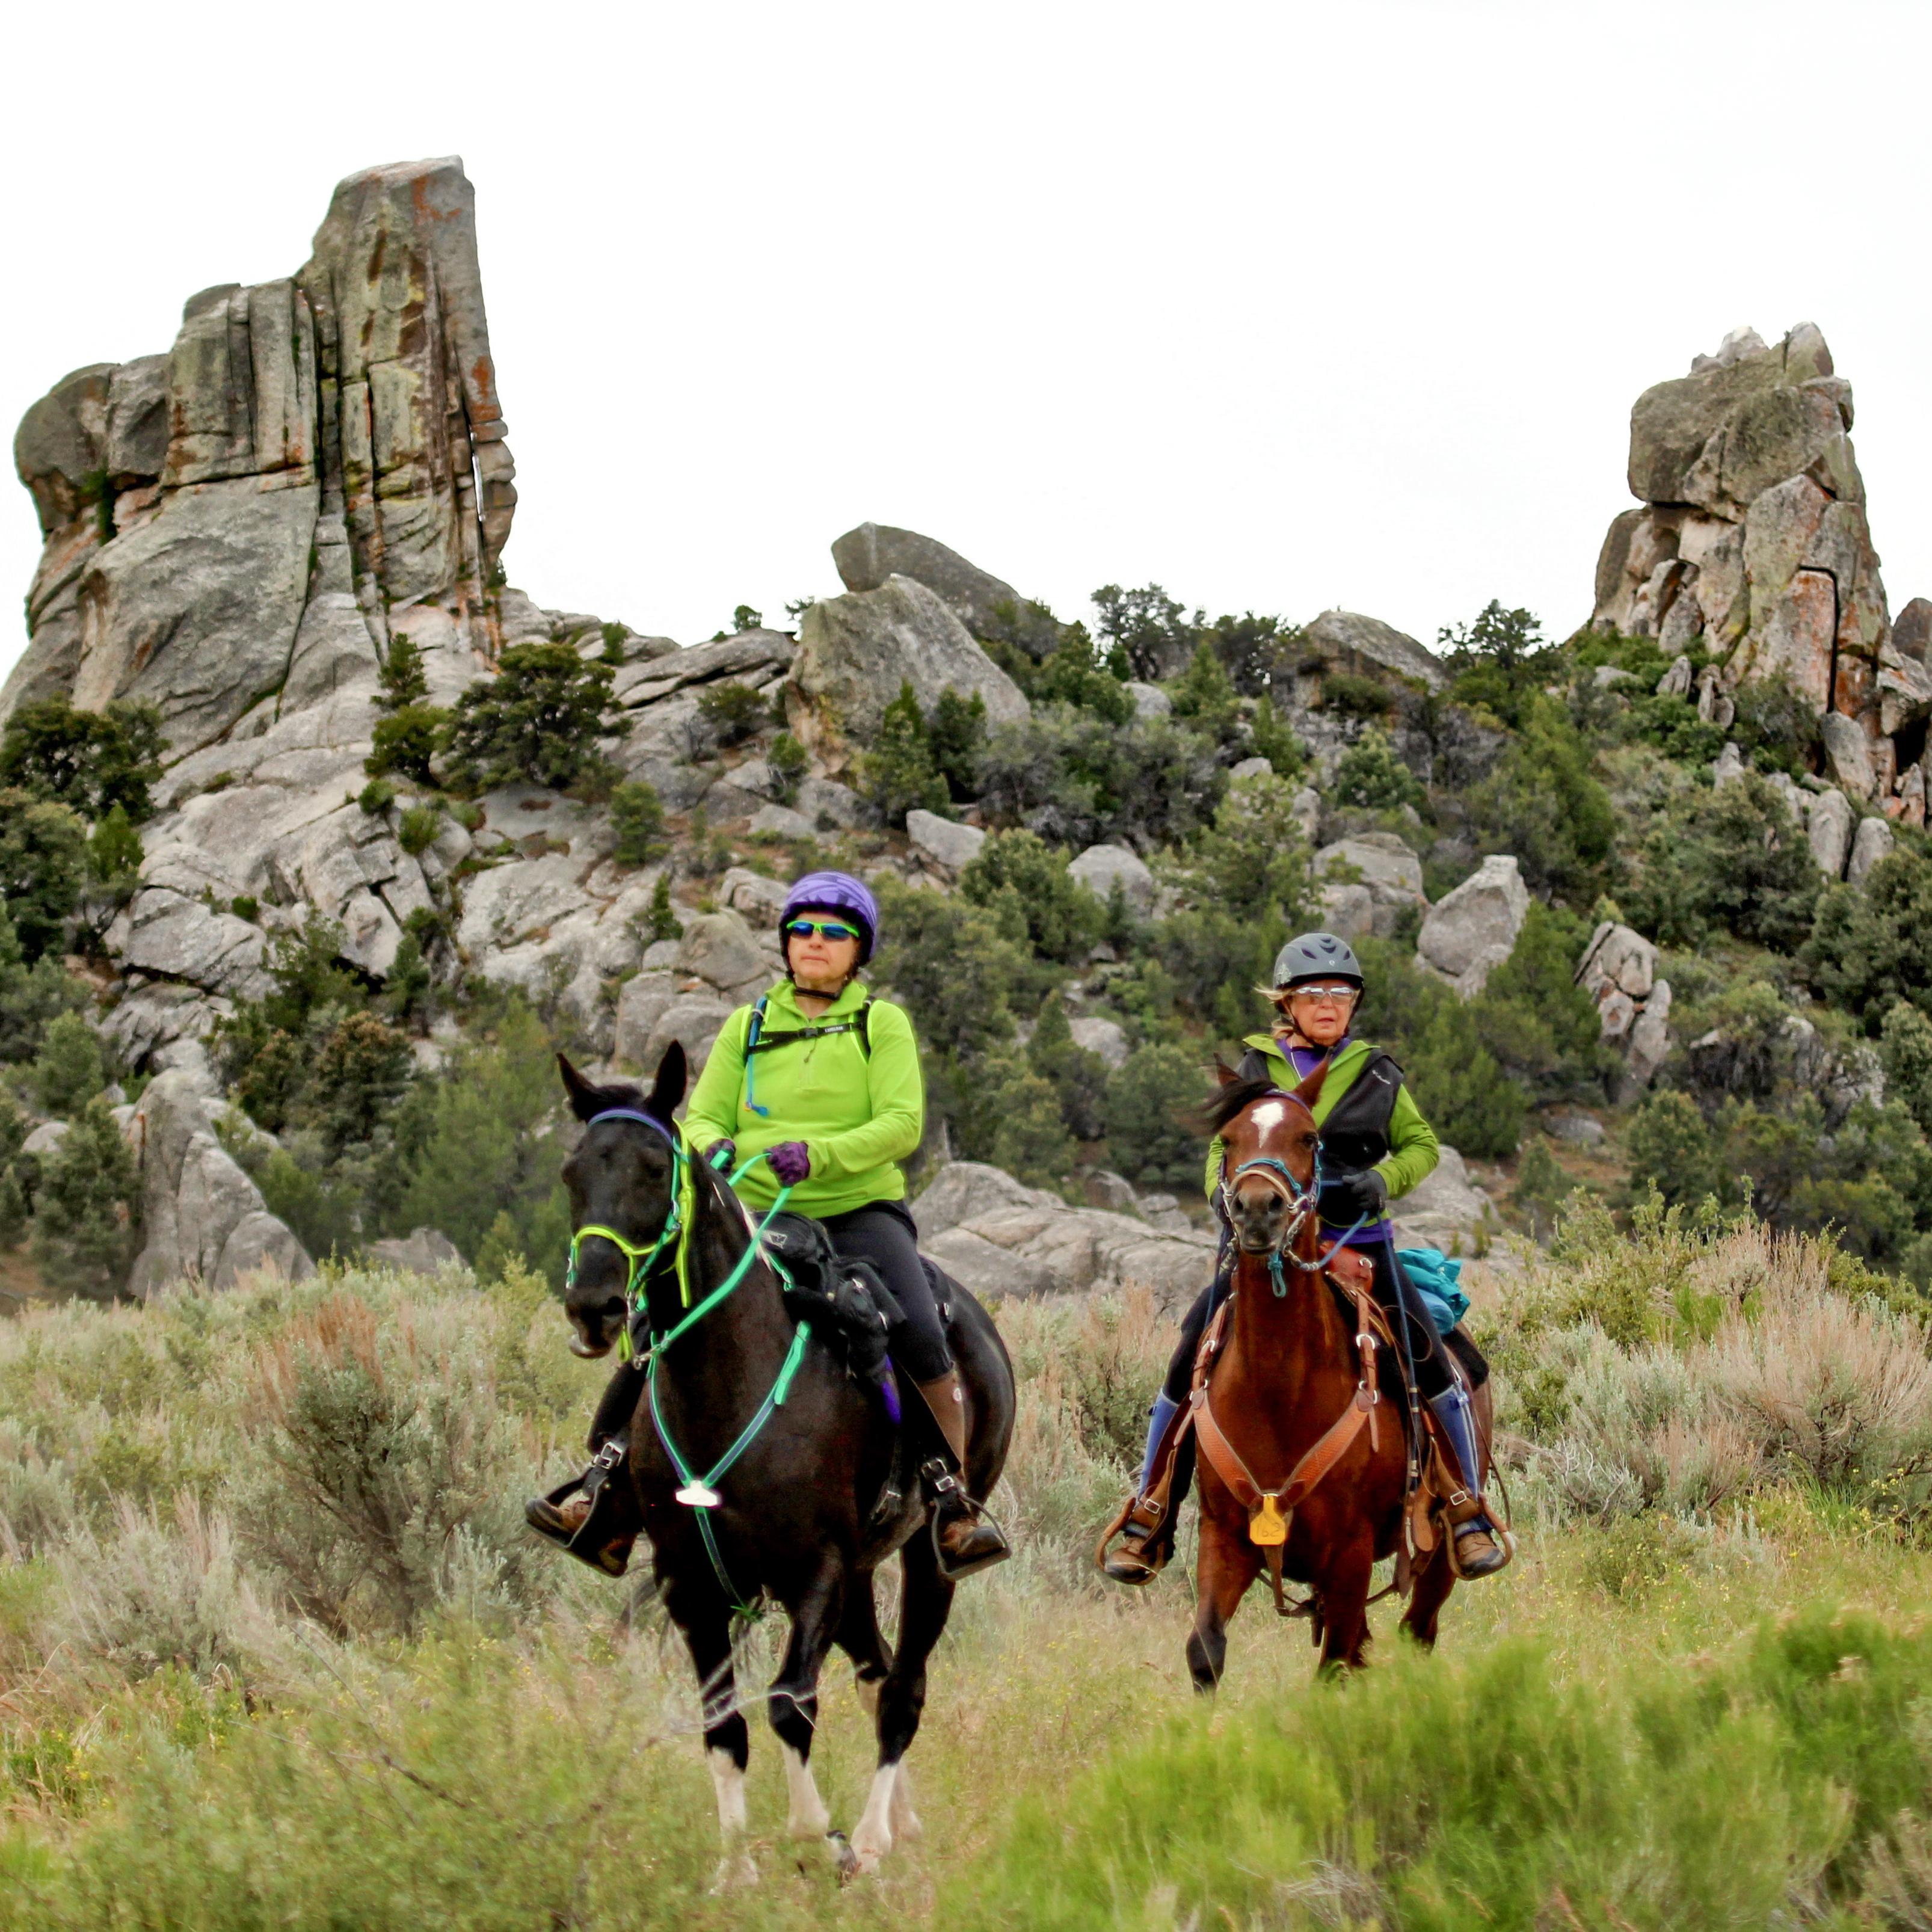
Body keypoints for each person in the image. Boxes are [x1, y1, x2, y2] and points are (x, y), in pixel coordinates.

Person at [528, 870, 1008, 1578]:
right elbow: (706, 1120)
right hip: (752, 1212)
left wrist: (818, 1154)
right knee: (663, 1316)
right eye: (804, 930)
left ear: (858, 950)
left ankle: (951, 1499)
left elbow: (900, 1125)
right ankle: (604, 1491)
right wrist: (720, 1149)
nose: (816, 942)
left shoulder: (882, 1024)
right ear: (785, 943)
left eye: (834, 933)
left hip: (857, 1210)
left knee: (916, 1324)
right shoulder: (746, 1026)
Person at [1098, 931, 1508, 1586]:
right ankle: (1150, 1511)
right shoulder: (1253, 1069)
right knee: (1185, 1360)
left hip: (1358, 1242)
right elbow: (1220, 1149)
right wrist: (1224, 1195)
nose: (1328, 1004)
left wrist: (1386, 1180)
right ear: (1286, 1001)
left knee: (1437, 1359)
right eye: (1314, 993)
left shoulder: (1376, 1071)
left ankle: (1465, 1507)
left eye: (1341, 994)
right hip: (1261, 1251)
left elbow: (1422, 1143)